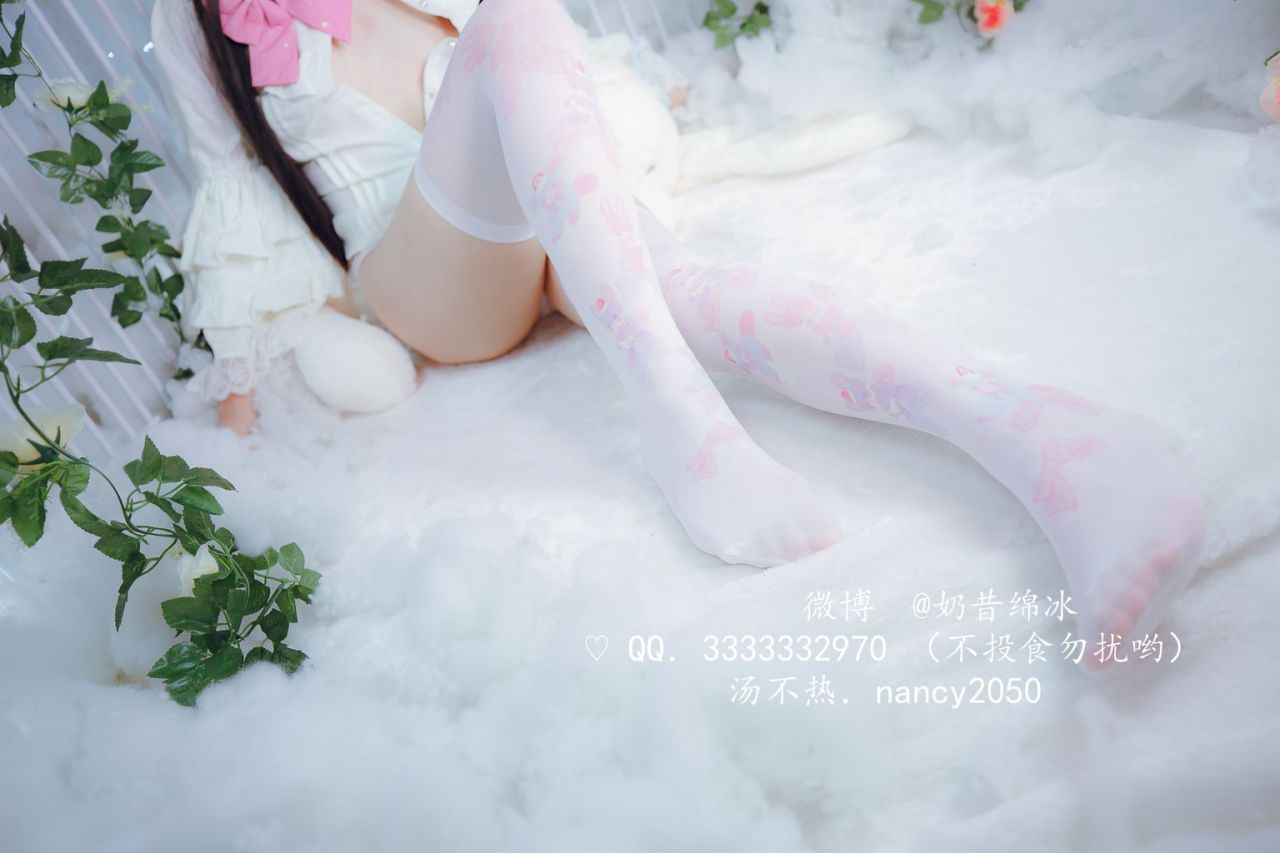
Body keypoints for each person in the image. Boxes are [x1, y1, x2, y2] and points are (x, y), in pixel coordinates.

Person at [151, 0, 1207, 672]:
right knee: (515, 18)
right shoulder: (191, 17)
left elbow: (540, 93)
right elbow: (237, 194)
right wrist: (235, 420)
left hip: (546, 222)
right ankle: (679, 414)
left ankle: (1049, 440)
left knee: (697, 289)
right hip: (427, 281)